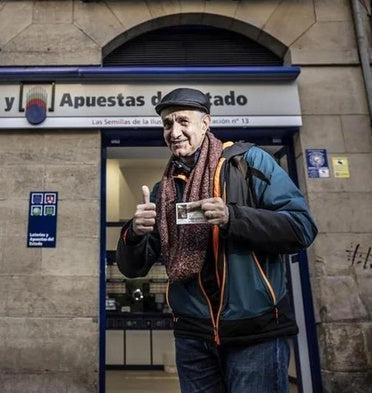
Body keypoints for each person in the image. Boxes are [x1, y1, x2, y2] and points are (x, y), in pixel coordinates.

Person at [116, 87, 318, 393]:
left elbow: (301, 228)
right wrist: (134, 233)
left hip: (255, 334)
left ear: (206, 123)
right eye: (167, 124)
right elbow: (133, 269)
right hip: (193, 337)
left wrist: (233, 218)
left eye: (183, 121)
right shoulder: (165, 190)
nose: (175, 131)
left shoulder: (248, 162)